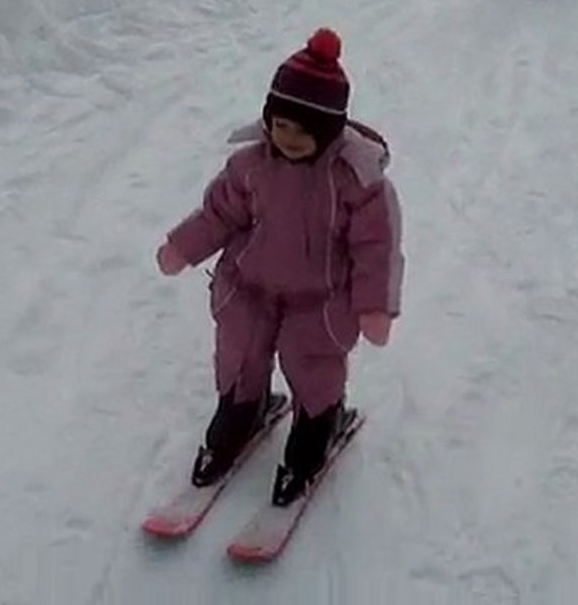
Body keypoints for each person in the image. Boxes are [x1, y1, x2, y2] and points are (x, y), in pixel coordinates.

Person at [155, 27, 404, 506]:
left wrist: (374, 307)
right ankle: (240, 410)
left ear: (329, 129)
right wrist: (183, 247)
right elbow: (219, 213)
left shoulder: (358, 183)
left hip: (320, 298)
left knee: (311, 362)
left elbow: (377, 248)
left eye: (302, 131)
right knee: (239, 350)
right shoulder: (251, 165)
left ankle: (318, 424)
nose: (287, 139)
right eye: (279, 126)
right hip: (248, 285)